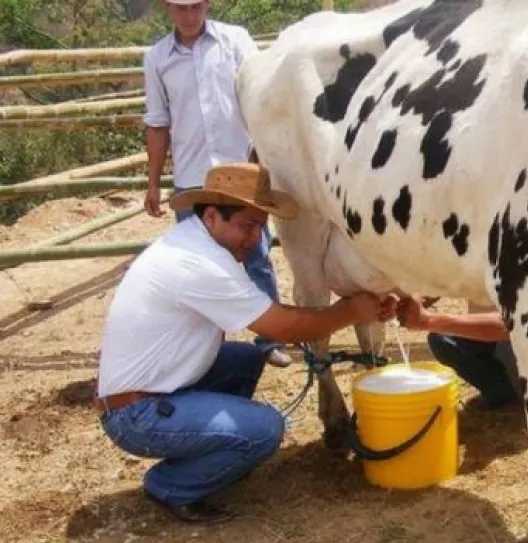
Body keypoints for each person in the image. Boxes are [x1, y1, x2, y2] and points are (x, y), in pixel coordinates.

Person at [95, 163, 396, 524]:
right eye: (247, 226)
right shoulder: (197, 263)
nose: (255, 238)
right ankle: (172, 484)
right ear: (211, 216)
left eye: (260, 227)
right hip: (135, 415)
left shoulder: (195, 243)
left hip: (150, 391)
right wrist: (351, 310)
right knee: (265, 429)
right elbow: (281, 326)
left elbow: (268, 315)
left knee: (245, 359)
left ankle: (215, 449)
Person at [142, 0, 292, 367]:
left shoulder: (235, 41)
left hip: (241, 170)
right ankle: (207, 349)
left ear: (206, 5)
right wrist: (153, 182)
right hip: (192, 178)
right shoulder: (157, 58)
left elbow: (261, 100)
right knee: (196, 265)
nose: (189, 15)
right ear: (167, 9)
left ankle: (269, 338)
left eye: (195, 7)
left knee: (255, 253)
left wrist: (265, 161)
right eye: (181, 8)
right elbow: (158, 123)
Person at [396, 298, 528, 411]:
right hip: (495, 336)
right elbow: (437, 282)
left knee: (512, 343)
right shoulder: (475, 242)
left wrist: (428, 320)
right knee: (441, 339)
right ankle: (502, 392)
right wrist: (405, 302)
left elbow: (511, 325)